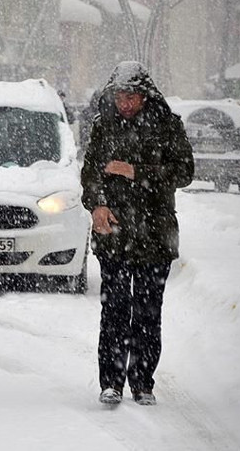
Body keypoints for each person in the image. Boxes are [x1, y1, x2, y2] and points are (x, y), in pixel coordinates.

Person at [80, 61, 194, 406]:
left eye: (131, 96)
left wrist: (136, 171)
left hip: (155, 234)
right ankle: (111, 382)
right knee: (114, 309)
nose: (124, 103)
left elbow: (185, 171)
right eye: (119, 96)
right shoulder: (104, 126)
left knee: (147, 312)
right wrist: (98, 204)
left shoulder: (168, 125)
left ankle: (143, 382)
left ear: (145, 95)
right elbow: (90, 175)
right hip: (114, 232)